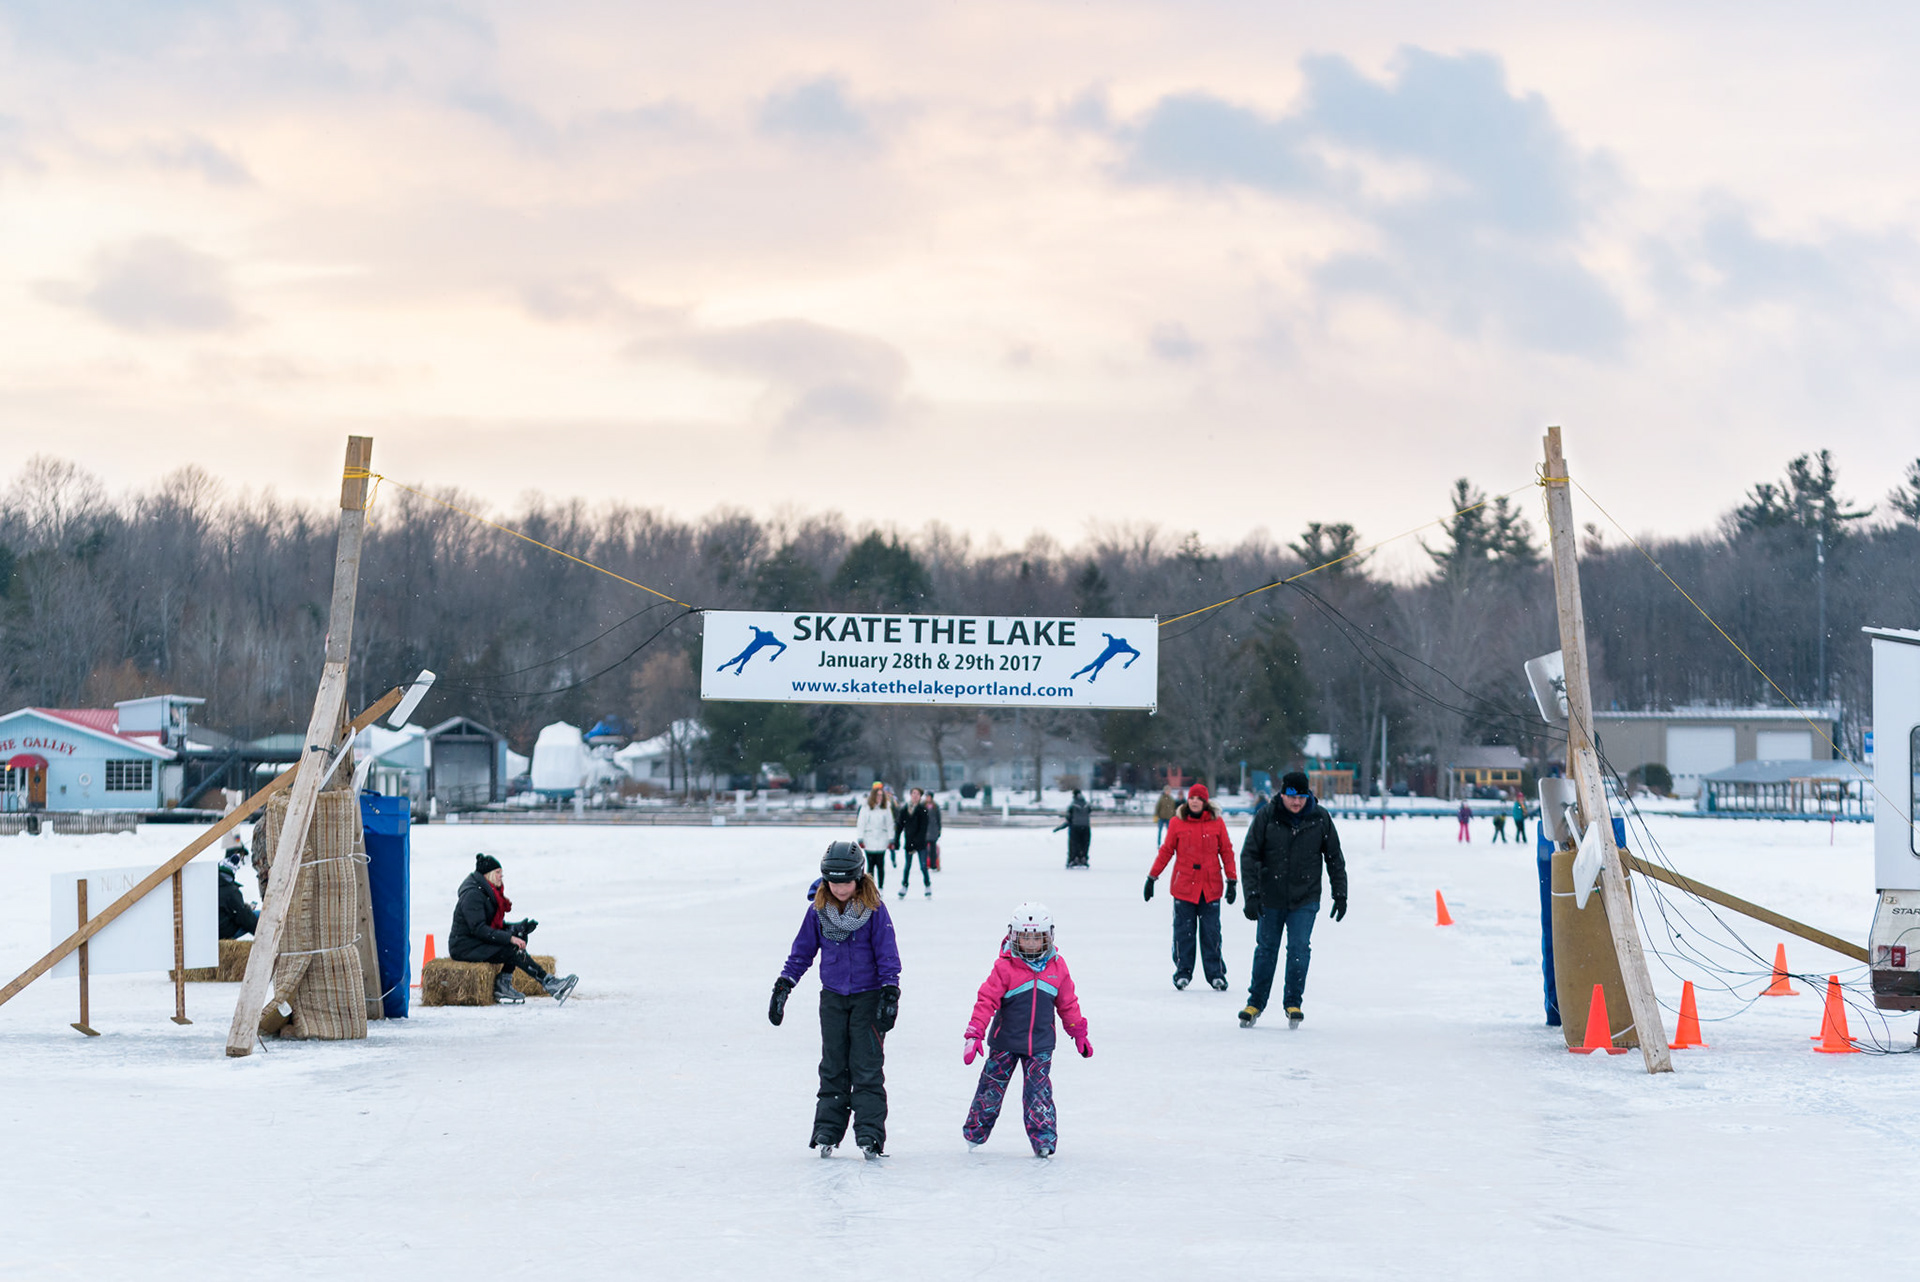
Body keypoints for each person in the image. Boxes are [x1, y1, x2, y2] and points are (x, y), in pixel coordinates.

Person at [770, 842, 901, 1161]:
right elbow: (802, 953)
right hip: (832, 999)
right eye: (834, 882)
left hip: (868, 998)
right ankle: (827, 1129)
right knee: (832, 1066)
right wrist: (784, 985)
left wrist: (890, 992)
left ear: (859, 878)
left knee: (866, 1068)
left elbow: (887, 954)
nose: (840, 889)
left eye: (846, 882)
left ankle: (869, 1132)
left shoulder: (874, 910)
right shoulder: (817, 911)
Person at [961, 903, 1090, 1159]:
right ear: (1014, 936)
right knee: (990, 1089)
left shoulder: (1057, 968)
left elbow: (1068, 1004)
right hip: (1005, 1043)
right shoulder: (1005, 967)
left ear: (1048, 937)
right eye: (1025, 937)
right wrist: (974, 1034)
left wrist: (1079, 1033)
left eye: (1037, 938)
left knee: (1039, 1095)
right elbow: (986, 1000)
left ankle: (1044, 1140)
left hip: (1040, 1045)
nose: (1030, 943)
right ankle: (975, 1132)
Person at [1237, 771, 1347, 1030]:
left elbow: (1334, 857)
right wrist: (1251, 894)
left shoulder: (1320, 818)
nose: (1297, 802)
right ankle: (1255, 1003)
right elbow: (1249, 855)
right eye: (1291, 796)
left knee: (1299, 949)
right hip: (1270, 896)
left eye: (1301, 797)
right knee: (1266, 950)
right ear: (1283, 794)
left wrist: (1340, 893)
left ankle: (1293, 1003)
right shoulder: (1267, 815)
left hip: (1305, 896)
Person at [449, 854, 579, 1005]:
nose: (501, 876)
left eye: (501, 873)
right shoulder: (473, 895)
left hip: (477, 941)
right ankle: (548, 982)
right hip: (465, 947)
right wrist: (509, 938)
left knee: (519, 935)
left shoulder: (487, 892)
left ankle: (503, 983)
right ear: (487, 874)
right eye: (497, 872)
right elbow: (479, 929)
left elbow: (492, 925)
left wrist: (518, 928)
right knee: (512, 948)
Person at [1145, 783, 1237, 991]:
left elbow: (1226, 851)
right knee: (1184, 933)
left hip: (1210, 887)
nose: (1195, 802)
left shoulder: (1217, 823)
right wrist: (1152, 877)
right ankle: (1183, 972)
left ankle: (1216, 974)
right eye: (1192, 798)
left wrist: (1232, 880)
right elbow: (1166, 851)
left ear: (1205, 802)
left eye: (1199, 798)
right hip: (1184, 886)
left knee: (1211, 933)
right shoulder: (1177, 822)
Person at [854, 782, 896, 891]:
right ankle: (870, 888)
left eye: (881, 795)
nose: (879, 798)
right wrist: (860, 838)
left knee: (880, 864)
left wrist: (891, 838)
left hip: (882, 839)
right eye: (878, 795)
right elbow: (861, 823)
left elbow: (890, 824)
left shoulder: (886, 808)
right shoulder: (866, 807)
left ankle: (881, 887)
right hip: (869, 839)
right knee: (871, 865)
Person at [218, 839, 258, 939]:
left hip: (214, 929)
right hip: (225, 932)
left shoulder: (210, 885)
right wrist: (258, 932)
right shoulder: (231, 891)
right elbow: (243, 917)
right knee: (260, 915)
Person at [897, 787, 933, 899]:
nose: (915, 796)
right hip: (909, 842)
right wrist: (896, 839)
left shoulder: (922, 810)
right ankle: (904, 885)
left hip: (920, 843)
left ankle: (927, 885)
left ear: (920, 796)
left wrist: (916, 842)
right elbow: (900, 825)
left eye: (917, 794)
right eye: (913, 793)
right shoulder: (905, 809)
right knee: (907, 866)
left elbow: (923, 828)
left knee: (923, 866)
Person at [1055, 789, 1092, 868]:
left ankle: (1073, 859)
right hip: (1086, 827)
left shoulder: (1072, 805)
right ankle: (1083, 858)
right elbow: (1089, 812)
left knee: (1074, 844)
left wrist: (1060, 828)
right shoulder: (1087, 804)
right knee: (1084, 844)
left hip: (1075, 827)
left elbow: (1069, 818)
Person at [924, 791, 943, 871]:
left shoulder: (935, 807)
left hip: (933, 829)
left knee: (933, 848)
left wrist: (939, 829)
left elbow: (938, 819)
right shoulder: (923, 806)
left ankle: (933, 864)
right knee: (924, 848)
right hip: (924, 830)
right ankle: (925, 863)